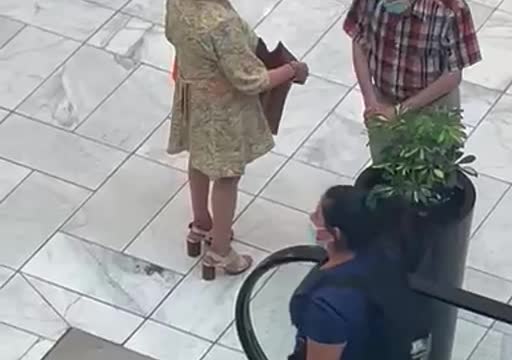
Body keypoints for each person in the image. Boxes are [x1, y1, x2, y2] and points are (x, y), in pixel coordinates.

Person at [165, 0, 309, 280]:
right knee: (227, 175)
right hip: (223, 109)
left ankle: (201, 224)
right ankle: (220, 251)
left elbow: (172, 36)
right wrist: (293, 70)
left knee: (198, 156)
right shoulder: (221, 22)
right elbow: (250, 80)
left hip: (193, 96)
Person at [289, 185, 422, 360]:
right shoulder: (385, 250)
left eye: (318, 216)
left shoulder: (326, 307)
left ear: (335, 233)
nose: (311, 218)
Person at [343, 0, 482, 162]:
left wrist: (399, 111)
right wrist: (371, 102)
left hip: (433, 105)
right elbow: (359, 41)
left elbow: (453, 75)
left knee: (433, 169)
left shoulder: (451, 9)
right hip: (383, 100)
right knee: (386, 168)